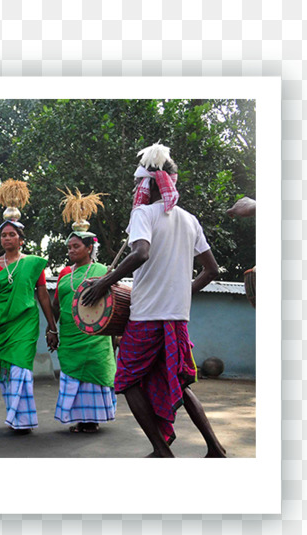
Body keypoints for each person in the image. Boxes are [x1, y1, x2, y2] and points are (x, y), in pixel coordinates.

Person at [81, 142, 227, 458]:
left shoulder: (143, 214)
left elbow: (141, 252)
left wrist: (106, 282)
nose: (135, 188)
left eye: (137, 182)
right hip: (177, 318)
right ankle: (215, 447)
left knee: (127, 380)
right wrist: (180, 294)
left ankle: (161, 450)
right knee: (178, 382)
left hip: (146, 317)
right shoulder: (190, 219)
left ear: (147, 184)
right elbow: (211, 270)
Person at [0, 220, 58, 433]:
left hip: (26, 322)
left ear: (21, 240)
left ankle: (23, 418)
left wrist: (52, 327)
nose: (7, 238)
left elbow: (44, 296)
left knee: (21, 370)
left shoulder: (33, 263)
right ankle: (15, 414)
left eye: (11, 234)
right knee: (6, 371)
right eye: (3, 235)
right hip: (2, 325)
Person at [51, 231, 117, 433]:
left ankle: (91, 420)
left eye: (76, 246)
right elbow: (56, 304)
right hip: (70, 336)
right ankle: (79, 418)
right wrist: (51, 328)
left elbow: (113, 303)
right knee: (72, 376)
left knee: (92, 374)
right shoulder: (65, 274)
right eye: (69, 247)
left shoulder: (103, 271)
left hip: (95, 336)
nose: (71, 250)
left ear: (89, 248)